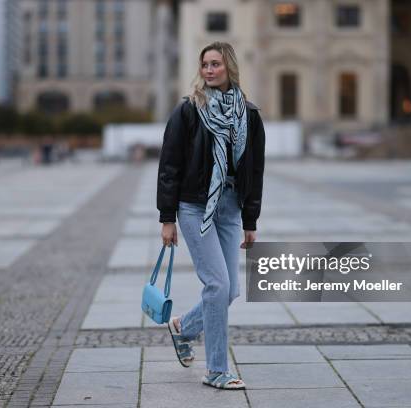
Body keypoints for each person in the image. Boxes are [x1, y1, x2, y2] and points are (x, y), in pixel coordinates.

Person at [156, 41, 265, 390]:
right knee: (217, 285)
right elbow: (169, 165)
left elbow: (254, 172)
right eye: (205, 64)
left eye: (215, 64)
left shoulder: (249, 115)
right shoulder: (189, 110)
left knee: (230, 289)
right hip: (194, 206)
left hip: (231, 207)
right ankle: (217, 370)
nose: (209, 70)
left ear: (229, 67)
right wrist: (167, 217)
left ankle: (183, 328)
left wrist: (250, 220)